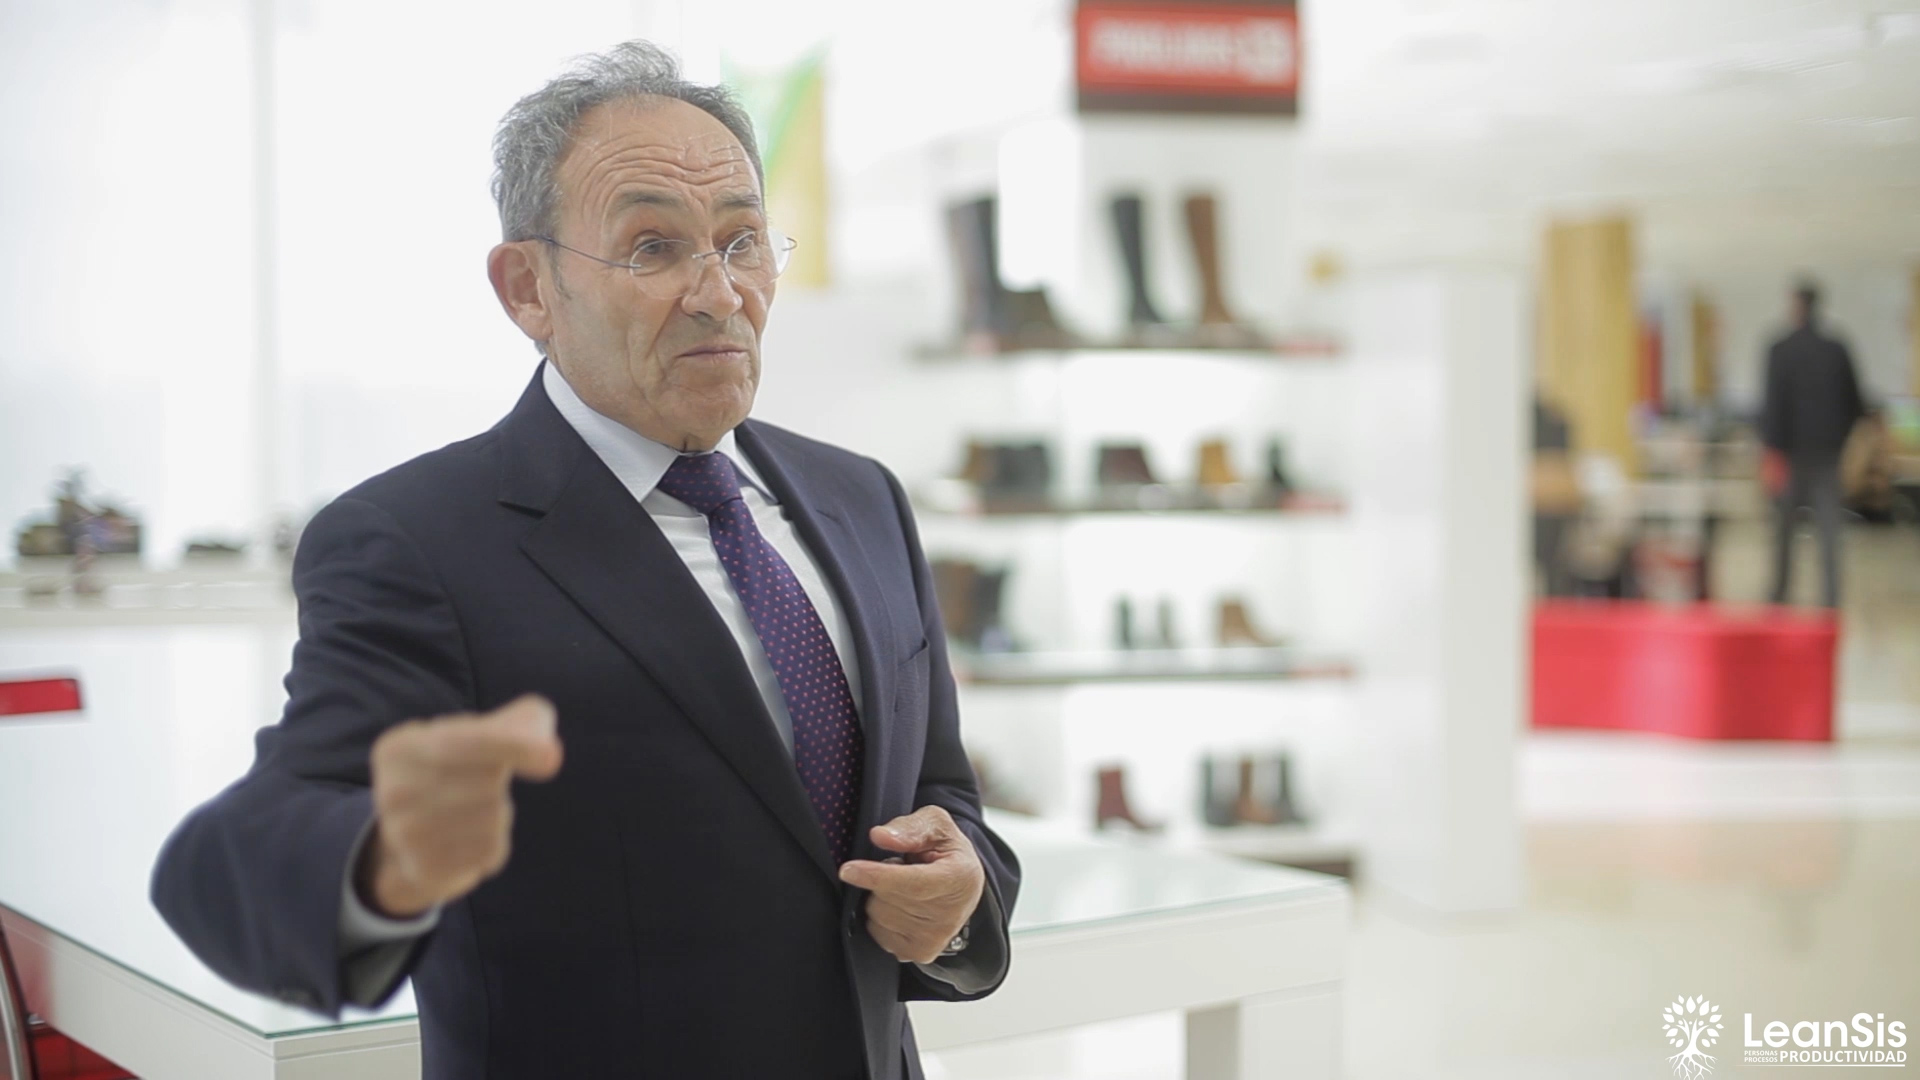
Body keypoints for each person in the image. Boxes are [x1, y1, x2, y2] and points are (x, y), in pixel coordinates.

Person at [150, 42, 1019, 1080]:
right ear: (529, 288)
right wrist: (378, 864)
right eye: (654, 248)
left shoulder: (862, 499)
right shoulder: (414, 543)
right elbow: (264, 847)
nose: (719, 293)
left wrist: (963, 891)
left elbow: (944, 797)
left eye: (743, 242)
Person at [1759, 280, 1866, 609]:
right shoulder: (1837, 348)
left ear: (1795, 305)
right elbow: (1855, 403)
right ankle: (1831, 600)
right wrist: (1839, 438)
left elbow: (1772, 405)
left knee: (1784, 531)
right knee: (1829, 530)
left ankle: (1780, 595)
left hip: (1790, 454)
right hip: (1827, 453)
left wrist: (1771, 451)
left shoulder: (1780, 349)